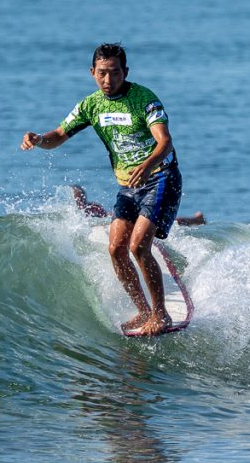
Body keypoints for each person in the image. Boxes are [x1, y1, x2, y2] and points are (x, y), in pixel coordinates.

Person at [22, 43, 184, 337]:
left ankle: (160, 315)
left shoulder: (145, 99)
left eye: (115, 73)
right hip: (128, 184)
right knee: (116, 249)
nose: (108, 80)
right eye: (102, 73)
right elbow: (58, 135)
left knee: (138, 246)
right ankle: (143, 311)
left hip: (160, 177)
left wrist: (147, 165)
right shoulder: (91, 105)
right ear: (92, 72)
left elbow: (165, 141)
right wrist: (39, 140)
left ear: (126, 72)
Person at [71, 185, 205, 226]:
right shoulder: (72, 213)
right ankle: (195, 220)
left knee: (164, 222)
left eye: (80, 197)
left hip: (120, 220)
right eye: (76, 198)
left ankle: (195, 220)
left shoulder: (91, 208)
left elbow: (107, 217)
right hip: (119, 219)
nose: (79, 201)